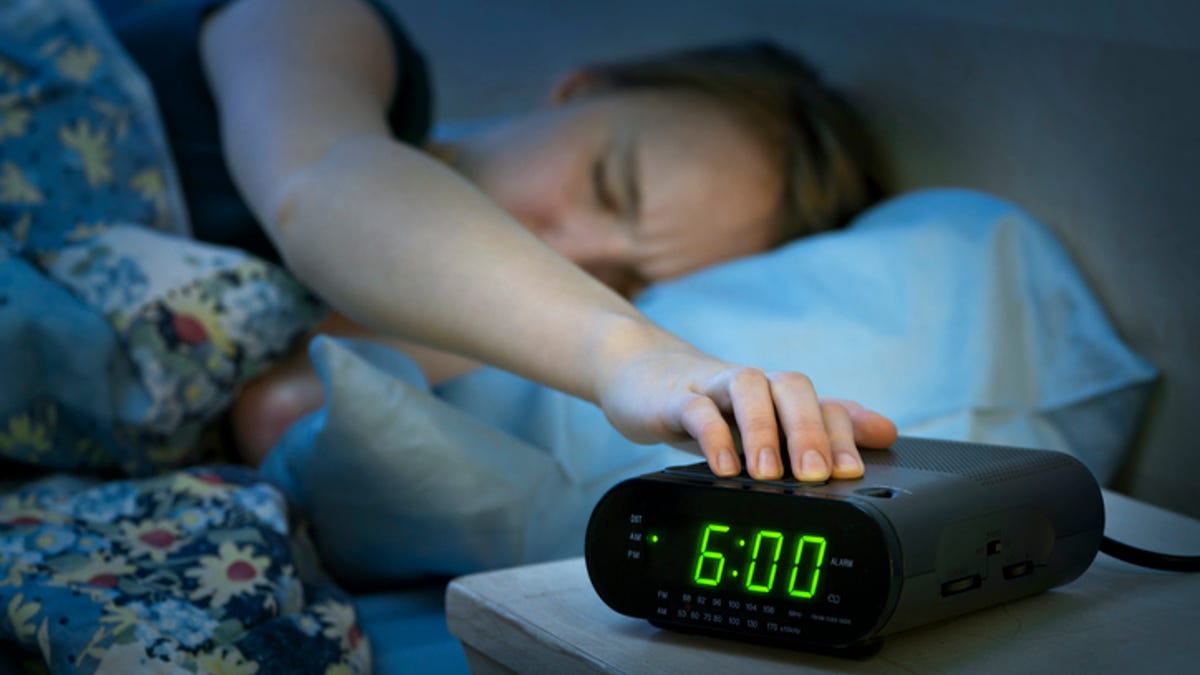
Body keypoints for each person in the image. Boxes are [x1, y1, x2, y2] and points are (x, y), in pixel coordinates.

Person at [116, 0, 899, 482]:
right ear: (580, 88)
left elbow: (273, 411)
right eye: (608, 184)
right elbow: (319, 181)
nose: (575, 248)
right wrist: (631, 353)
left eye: (620, 277)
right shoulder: (325, 24)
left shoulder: (480, 329)